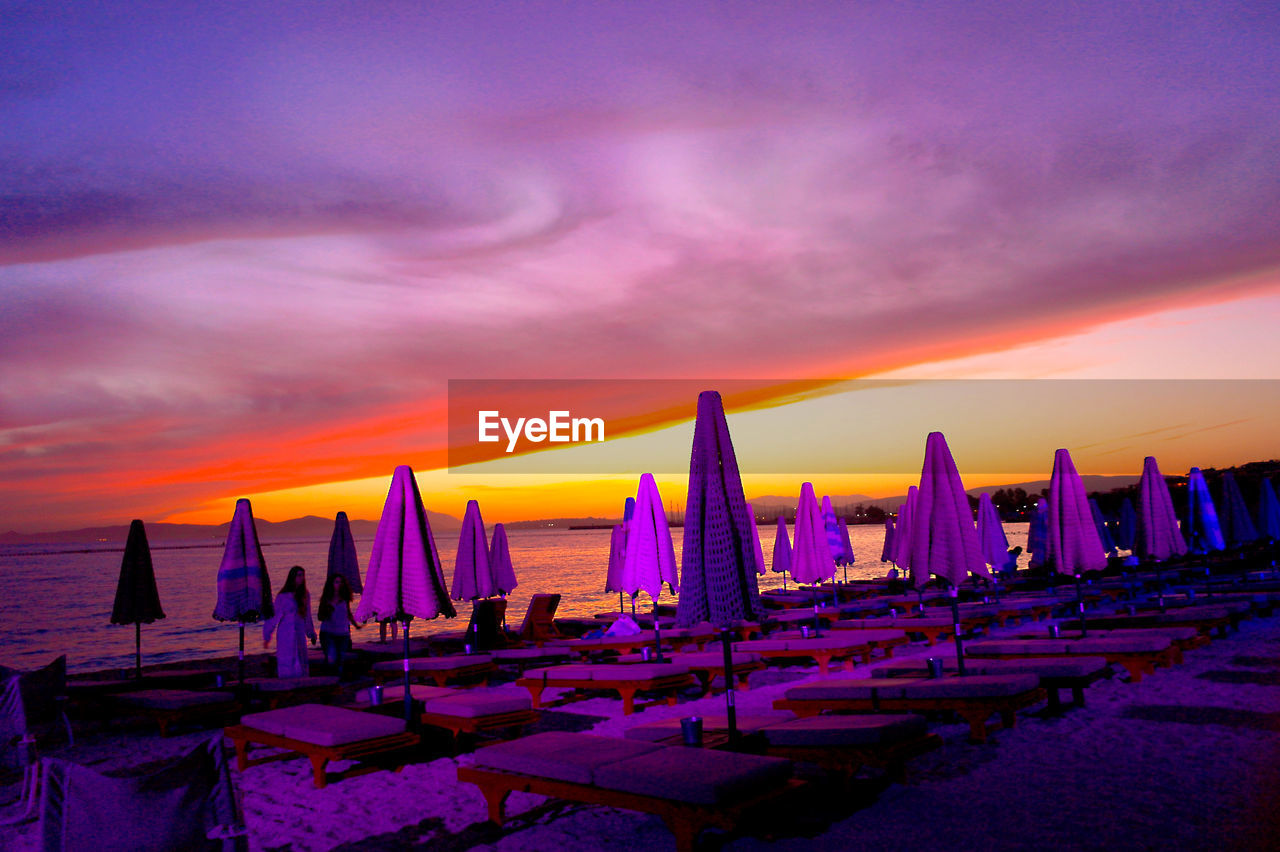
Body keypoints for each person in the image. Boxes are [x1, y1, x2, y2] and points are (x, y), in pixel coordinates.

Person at [263, 565, 317, 678]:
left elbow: (307, 616)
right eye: (299, 575)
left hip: (299, 631)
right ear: (292, 577)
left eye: (303, 575)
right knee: (287, 658)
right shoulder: (283, 596)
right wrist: (267, 635)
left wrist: (311, 633)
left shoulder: (305, 594)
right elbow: (274, 617)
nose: (301, 578)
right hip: (285, 632)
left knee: (301, 657)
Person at [317, 574, 361, 679]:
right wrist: (328, 611)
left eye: (340, 582)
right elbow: (320, 616)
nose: (339, 584)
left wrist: (355, 625)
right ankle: (329, 678)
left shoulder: (345, 598)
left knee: (340, 658)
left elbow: (348, 613)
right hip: (328, 632)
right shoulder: (326, 599)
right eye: (336, 582)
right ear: (331, 584)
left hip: (343, 633)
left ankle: (337, 680)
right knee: (331, 657)